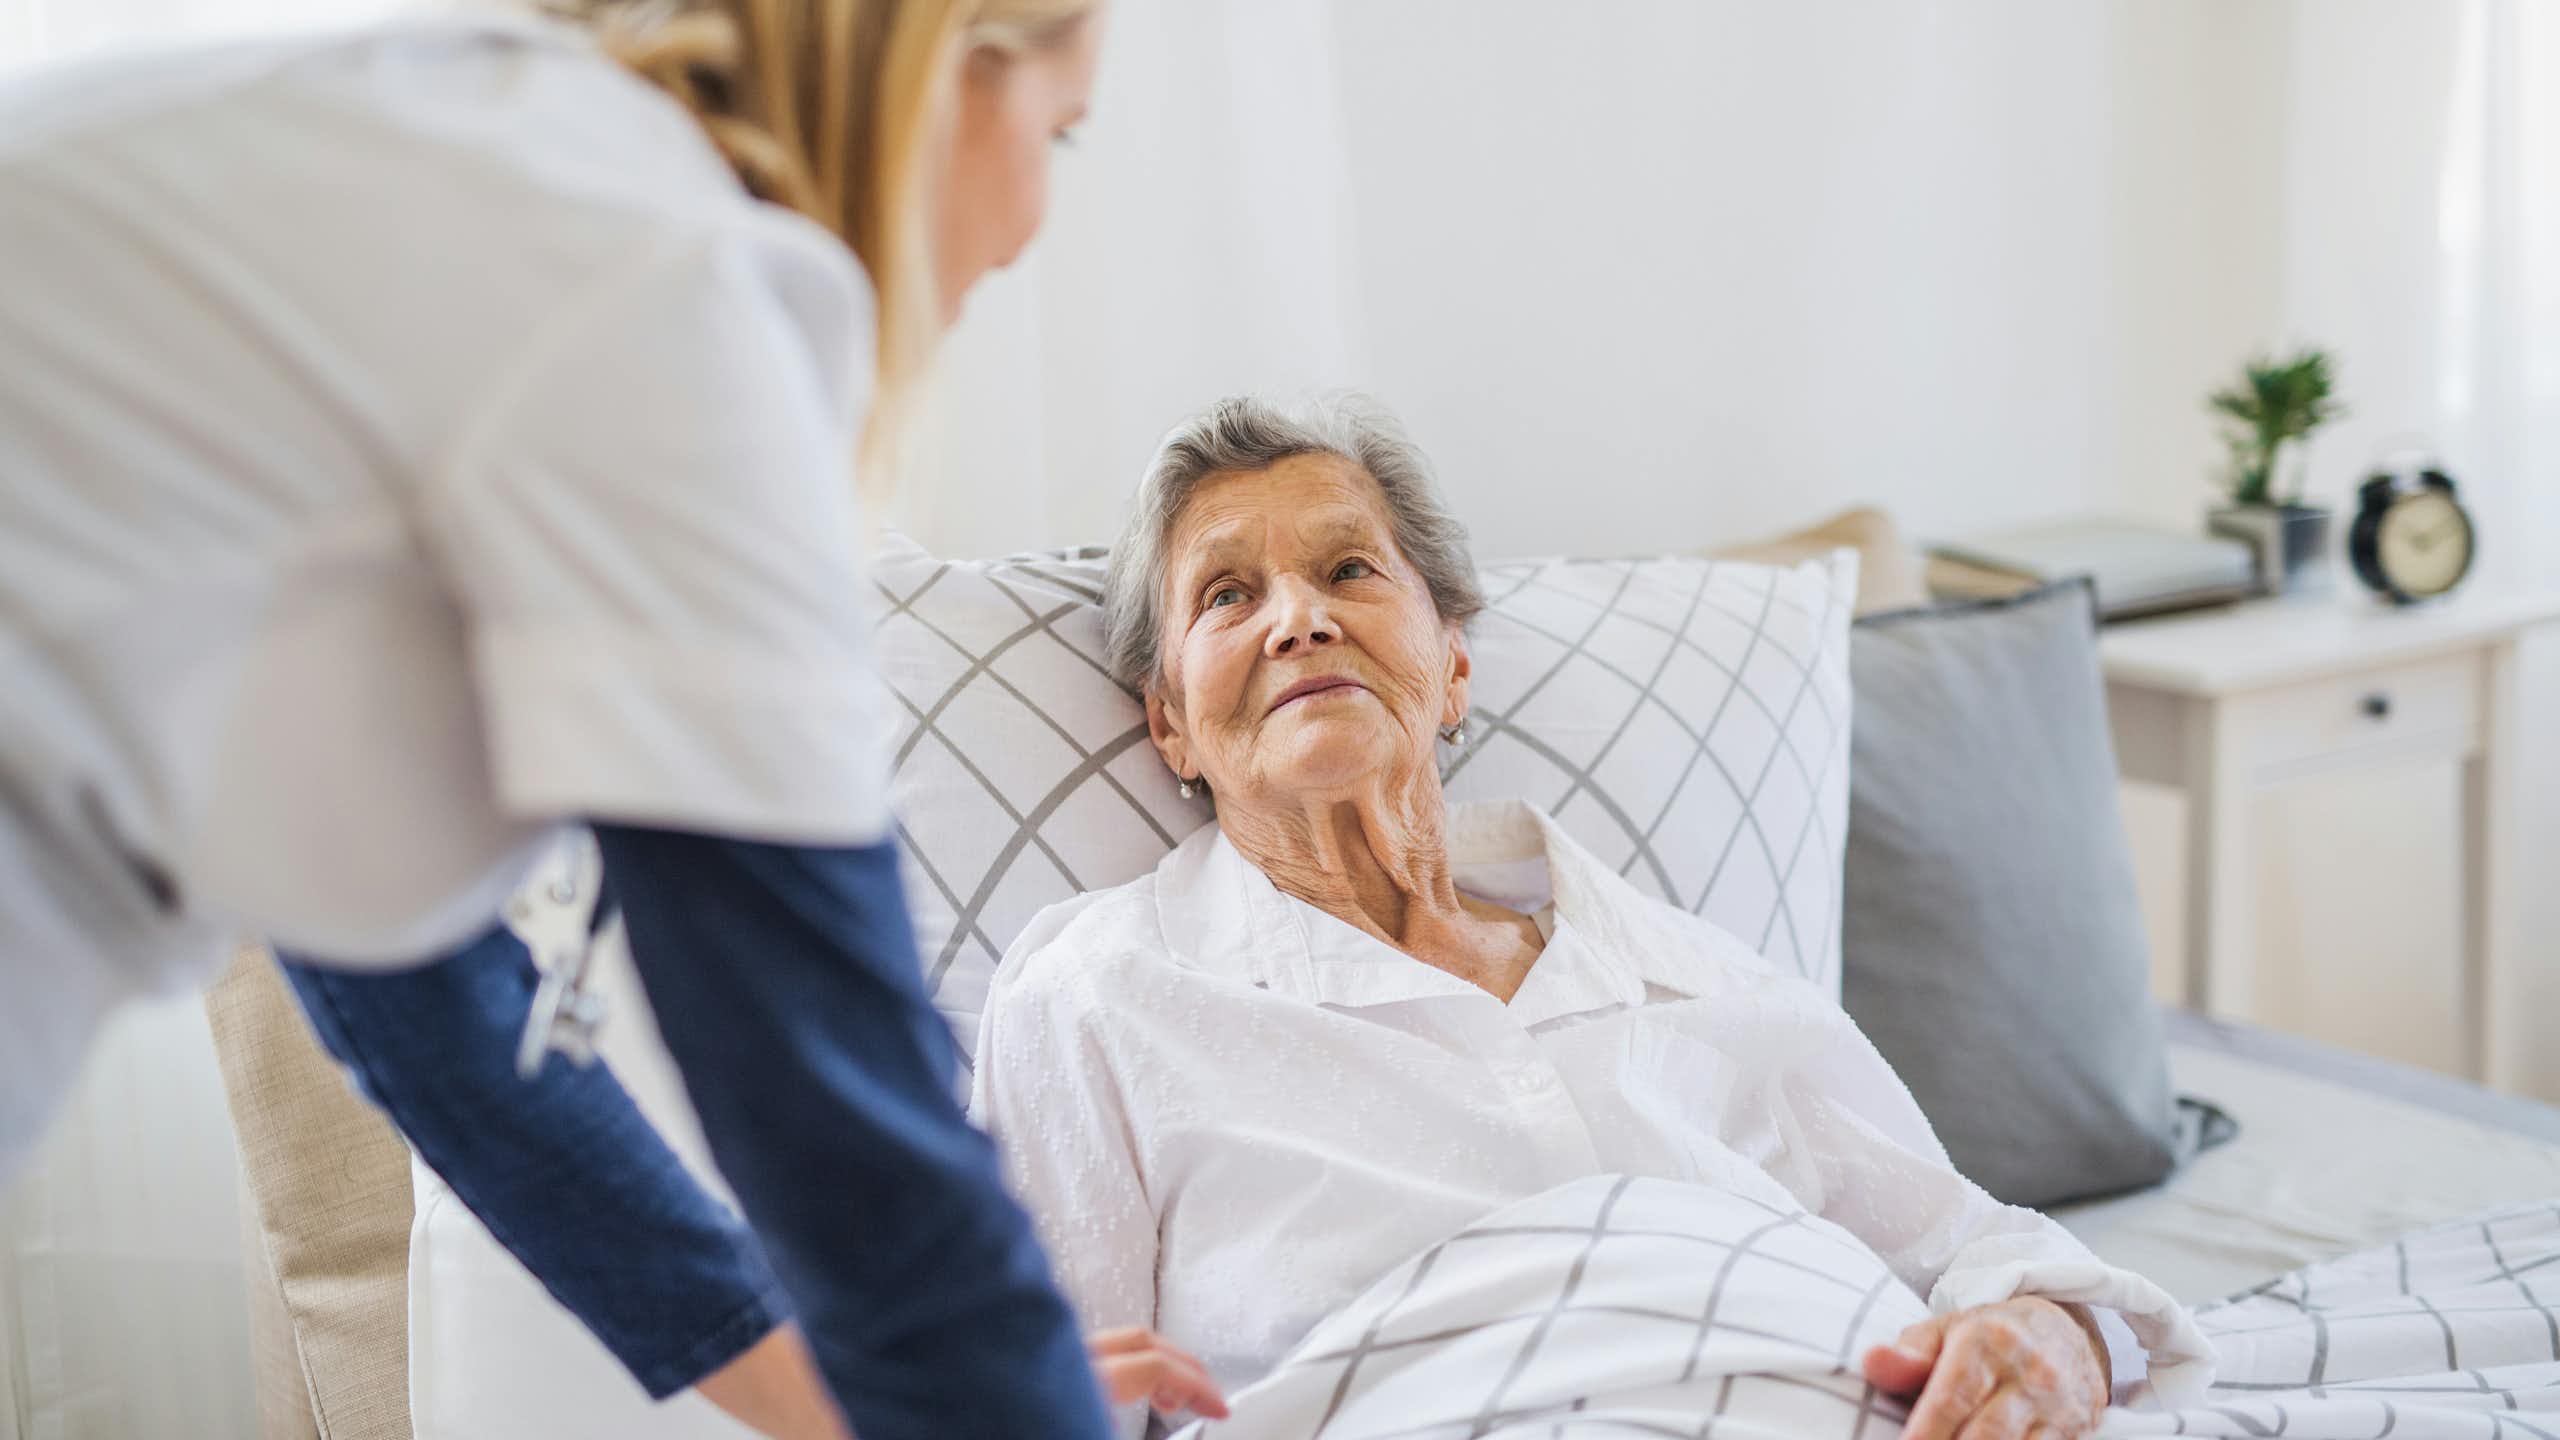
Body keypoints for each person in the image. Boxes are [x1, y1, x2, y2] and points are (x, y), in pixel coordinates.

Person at [0, 2, 1171, 1434]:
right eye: (1061, 128)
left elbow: (439, 1021)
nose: (1035, 223)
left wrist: (844, 1400)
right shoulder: (667, 289)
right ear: (939, 65)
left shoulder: (479, 180)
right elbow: (841, 1119)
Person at [970, 395, 2217, 1440]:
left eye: (1349, 568)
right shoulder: (1099, 994)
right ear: (1170, 724)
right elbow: (1014, 1394)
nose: (1300, 616)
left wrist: (2046, 1337)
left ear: (1451, 664)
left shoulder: (1694, 978)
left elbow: (1990, 1257)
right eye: (1227, 597)